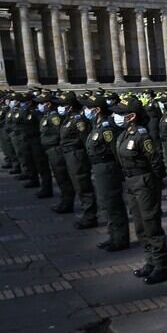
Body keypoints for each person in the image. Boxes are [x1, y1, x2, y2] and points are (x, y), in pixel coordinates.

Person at [113, 98, 167, 285]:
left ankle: (161, 265)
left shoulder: (141, 135)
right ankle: (150, 261)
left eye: (121, 113)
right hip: (131, 182)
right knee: (139, 224)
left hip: (144, 181)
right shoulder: (124, 134)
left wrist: (154, 181)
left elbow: (154, 160)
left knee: (151, 223)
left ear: (131, 116)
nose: (118, 116)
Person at [81, 93, 130, 252]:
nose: (85, 110)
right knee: (105, 203)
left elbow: (113, 149)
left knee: (112, 203)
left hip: (108, 168)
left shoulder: (107, 126)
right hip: (100, 168)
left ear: (96, 109)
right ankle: (113, 236)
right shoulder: (98, 123)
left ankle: (120, 239)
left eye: (88, 107)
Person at [56, 91, 98, 229]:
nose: (60, 107)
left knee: (83, 186)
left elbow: (85, 139)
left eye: (62, 105)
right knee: (76, 184)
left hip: (77, 155)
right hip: (69, 154)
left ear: (69, 106)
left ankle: (90, 216)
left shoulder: (78, 120)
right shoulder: (69, 119)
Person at [37, 92, 73, 207]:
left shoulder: (54, 117)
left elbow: (60, 133)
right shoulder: (47, 115)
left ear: (48, 104)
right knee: (58, 176)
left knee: (62, 176)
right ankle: (64, 200)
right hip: (49, 149)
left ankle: (67, 201)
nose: (40, 105)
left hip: (55, 149)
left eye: (42, 103)